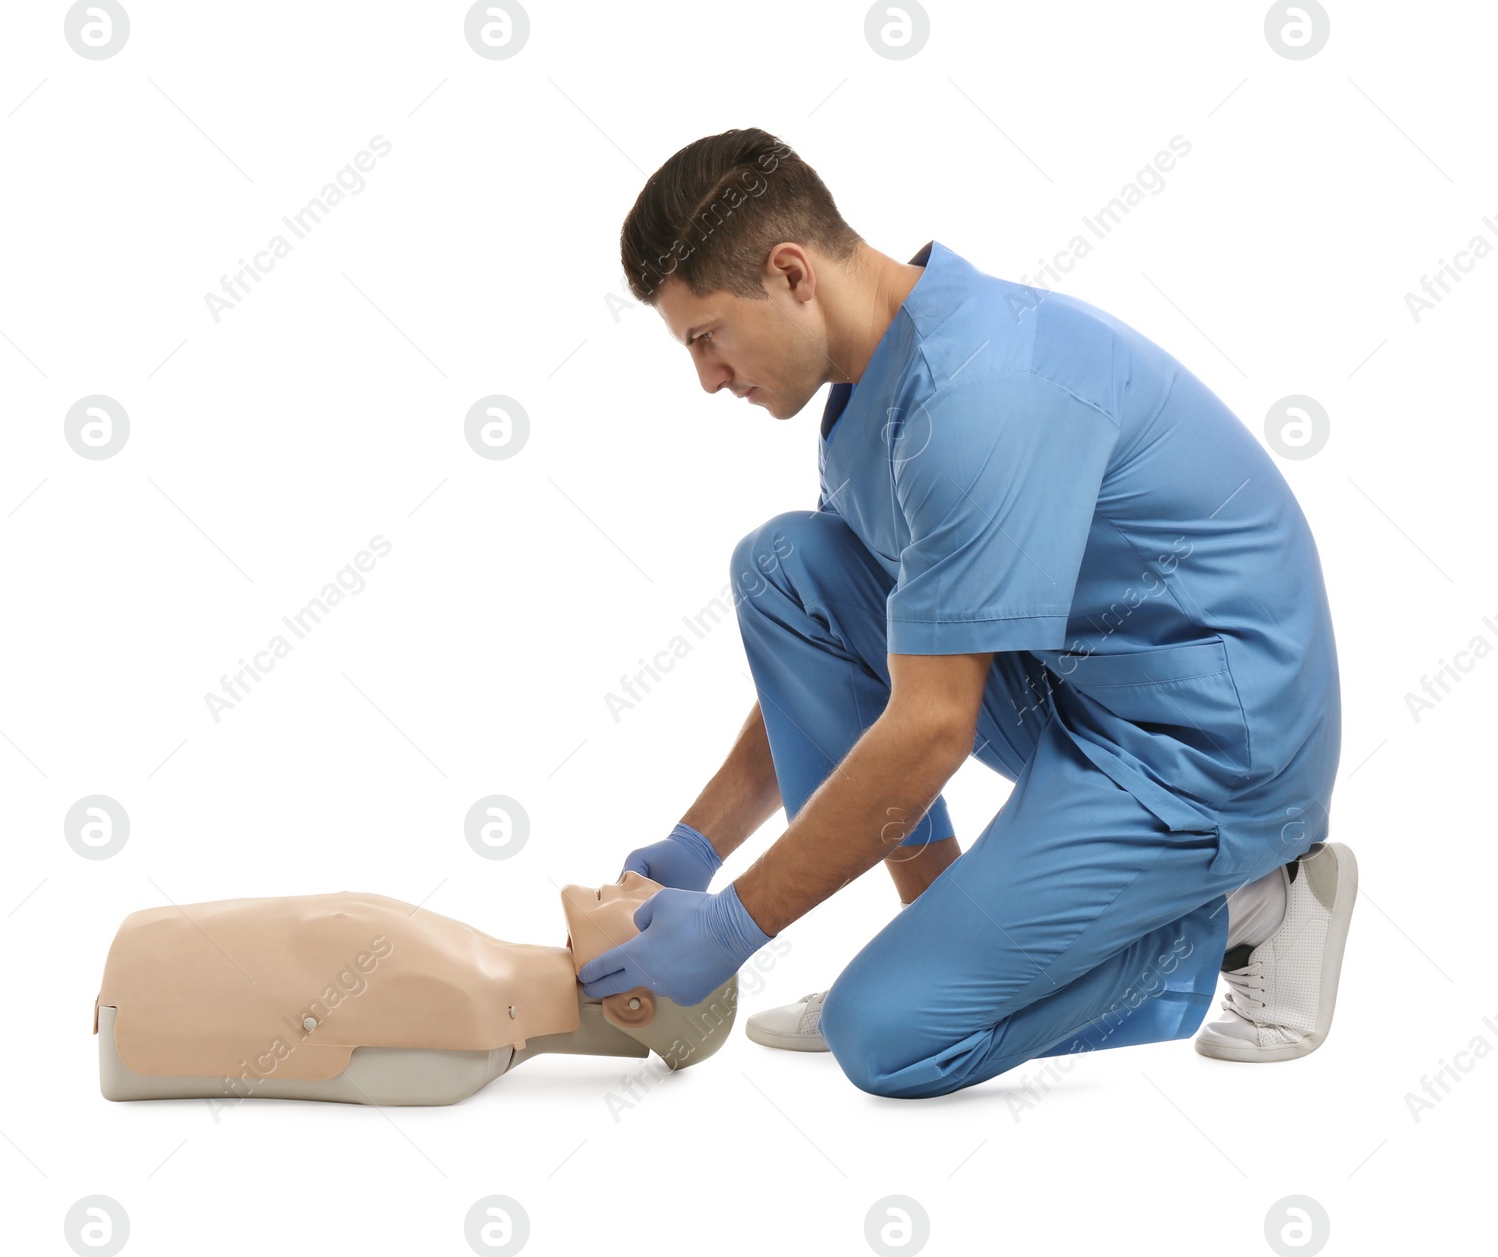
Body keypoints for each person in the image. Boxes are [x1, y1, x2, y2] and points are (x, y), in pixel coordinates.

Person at [578, 127, 1356, 1097]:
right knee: (788, 569)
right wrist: (699, 845)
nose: (706, 377)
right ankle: (943, 947)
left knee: (889, 1037)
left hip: (1207, 755)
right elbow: (849, 647)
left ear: (790, 274)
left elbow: (932, 724)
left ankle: (1254, 911)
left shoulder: (979, 396)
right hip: (1084, 693)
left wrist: (737, 924)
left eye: (706, 336)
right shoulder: (874, 385)